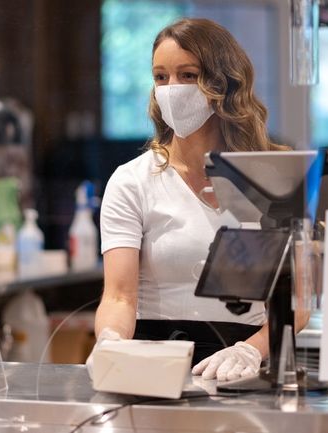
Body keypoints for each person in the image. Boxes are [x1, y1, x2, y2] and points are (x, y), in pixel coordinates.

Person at [89, 18, 307, 383]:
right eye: (160, 77)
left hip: (241, 366)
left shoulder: (271, 178)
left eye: (187, 75)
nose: (171, 88)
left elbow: (298, 300)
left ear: (223, 82)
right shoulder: (132, 181)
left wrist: (251, 349)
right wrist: (110, 341)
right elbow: (119, 296)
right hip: (151, 365)